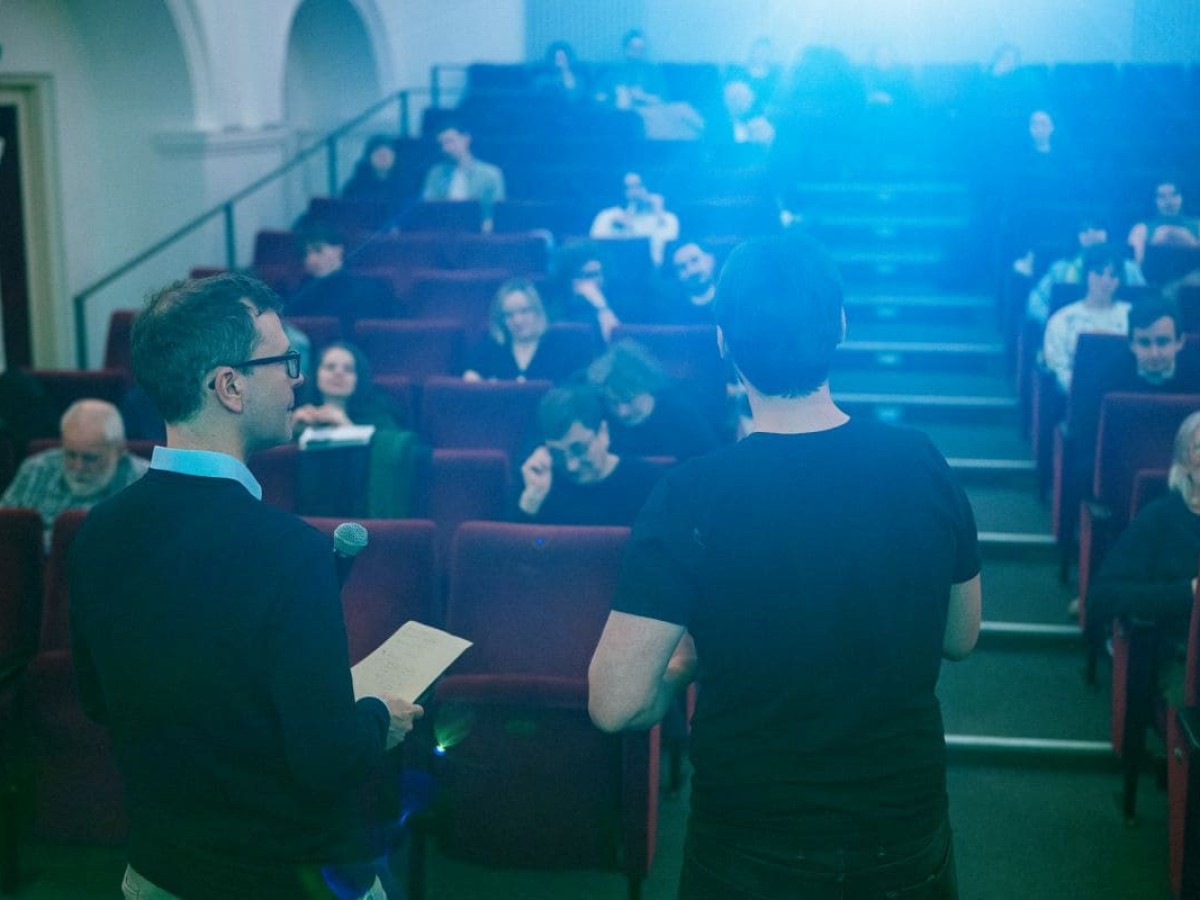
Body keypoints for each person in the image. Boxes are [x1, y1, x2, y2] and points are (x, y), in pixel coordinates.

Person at [589, 234, 980, 900]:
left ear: (723, 343)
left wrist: (684, 663)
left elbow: (615, 703)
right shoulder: (922, 463)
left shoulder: (692, 495)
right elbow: (959, 637)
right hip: (902, 833)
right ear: (842, 328)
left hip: (750, 845)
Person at [67, 273, 422, 899]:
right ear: (229, 386)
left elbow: (99, 702)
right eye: (283, 361)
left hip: (159, 872)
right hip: (286, 878)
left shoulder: (96, 532)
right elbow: (327, 760)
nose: (296, 377)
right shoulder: (291, 552)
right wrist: (377, 717)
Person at [1088, 410, 1200, 709]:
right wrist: (1187, 593)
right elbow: (1102, 597)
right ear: (1185, 462)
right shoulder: (1161, 518)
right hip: (1184, 659)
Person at [1, 399, 148, 547]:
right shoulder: (35, 470)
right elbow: (5, 527)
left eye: (90, 458)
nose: (78, 466)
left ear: (120, 450)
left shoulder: (144, 483)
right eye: (70, 455)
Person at [514, 385, 665, 526]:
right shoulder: (536, 480)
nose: (571, 466)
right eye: (557, 453)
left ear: (603, 433)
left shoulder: (649, 483)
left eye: (579, 449)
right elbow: (511, 551)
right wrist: (532, 499)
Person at [585, 340, 720, 461]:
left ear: (648, 385)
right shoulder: (599, 418)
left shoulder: (683, 414)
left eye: (629, 400)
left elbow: (710, 465)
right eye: (613, 402)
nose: (622, 412)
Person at [1042, 242, 1133, 393]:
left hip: (1124, 395)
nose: (1106, 281)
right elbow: (1057, 368)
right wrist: (1086, 390)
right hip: (1076, 399)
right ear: (1086, 275)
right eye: (1098, 273)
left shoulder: (1132, 314)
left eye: (1113, 275)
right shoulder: (1063, 319)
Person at [462, 279, 593, 383]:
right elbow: (471, 376)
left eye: (524, 311)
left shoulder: (561, 347)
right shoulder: (490, 347)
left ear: (538, 312)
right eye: (509, 315)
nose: (517, 320)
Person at [1025, 216, 1145, 324]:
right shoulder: (1060, 269)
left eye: (1097, 229)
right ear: (1077, 237)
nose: (1091, 234)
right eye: (1084, 231)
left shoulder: (1129, 268)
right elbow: (1035, 303)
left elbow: (1144, 300)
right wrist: (1058, 322)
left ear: (1109, 233)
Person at [286, 223, 395, 331]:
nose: (310, 260)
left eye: (318, 250)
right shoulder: (299, 293)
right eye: (304, 254)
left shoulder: (373, 288)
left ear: (339, 249)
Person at [291, 341, 401, 433]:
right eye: (330, 367)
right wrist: (292, 431)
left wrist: (347, 427)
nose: (338, 373)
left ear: (359, 378)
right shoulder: (300, 411)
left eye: (348, 369)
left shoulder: (380, 418)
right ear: (316, 374)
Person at [420, 121, 505, 232]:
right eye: (442, 144)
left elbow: (496, 211)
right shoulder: (436, 174)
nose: (445, 149)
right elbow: (428, 207)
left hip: (479, 234)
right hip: (442, 232)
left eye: (449, 142)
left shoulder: (490, 174)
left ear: (466, 139)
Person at [589, 171, 680, 266]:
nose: (635, 193)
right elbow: (595, 248)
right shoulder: (607, 216)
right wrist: (616, 230)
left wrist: (659, 215)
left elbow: (667, 253)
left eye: (639, 186)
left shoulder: (668, 218)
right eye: (628, 188)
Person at [1127, 179, 1200, 267]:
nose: (1169, 201)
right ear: (1154, 201)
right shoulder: (1141, 230)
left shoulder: (1198, 226)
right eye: (1162, 196)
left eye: (1174, 195)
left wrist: (1192, 244)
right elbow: (1133, 269)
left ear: (1183, 197)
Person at [655, 240, 718, 324]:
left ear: (711, 259)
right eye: (681, 267)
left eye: (694, 260)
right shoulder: (671, 312)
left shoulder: (732, 301)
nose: (691, 270)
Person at [341, 135, 406, 206]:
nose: (384, 159)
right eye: (379, 155)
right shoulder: (355, 187)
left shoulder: (405, 184)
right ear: (369, 158)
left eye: (387, 154)